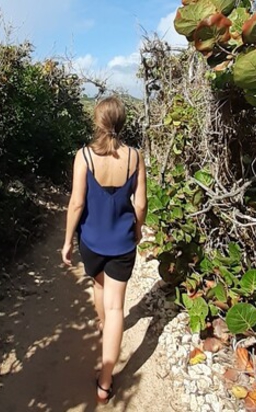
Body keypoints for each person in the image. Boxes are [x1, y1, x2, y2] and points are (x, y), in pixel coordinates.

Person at [61, 95, 148, 405]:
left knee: (98, 286)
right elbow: (141, 204)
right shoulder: (135, 158)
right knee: (115, 309)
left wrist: (67, 241)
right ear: (122, 123)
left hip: (92, 241)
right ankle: (105, 384)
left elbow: (76, 203)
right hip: (122, 243)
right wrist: (137, 229)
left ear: (96, 121)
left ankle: (102, 326)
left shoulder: (84, 156)